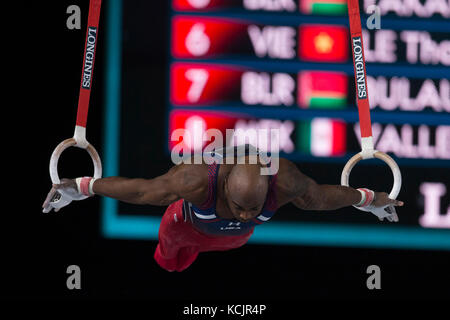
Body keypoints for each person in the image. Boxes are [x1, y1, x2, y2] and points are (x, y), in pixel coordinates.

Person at [42, 145, 403, 272]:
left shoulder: (285, 181)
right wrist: (83, 186)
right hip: (185, 226)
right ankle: (171, 256)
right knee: (169, 263)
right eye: (241, 207)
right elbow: (141, 191)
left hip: (234, 240)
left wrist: (369, 199)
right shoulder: (195, 181)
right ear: (225, 188)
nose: (248, 214)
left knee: (240, 234)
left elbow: (323, 197)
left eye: (255, 208)